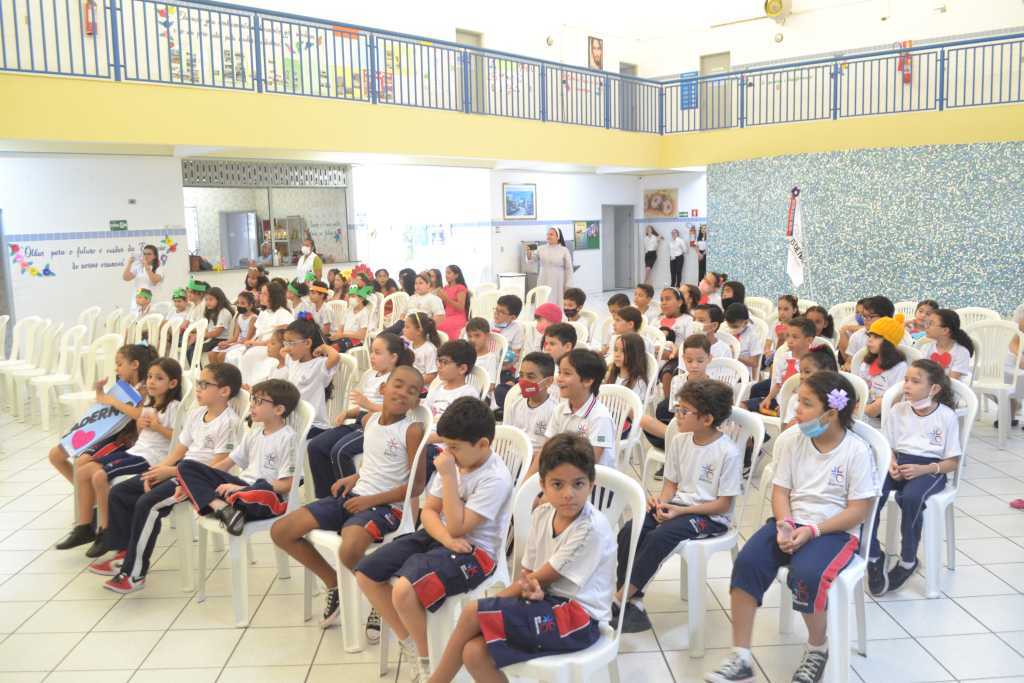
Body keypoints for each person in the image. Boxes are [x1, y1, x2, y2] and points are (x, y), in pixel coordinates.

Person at [705, 372, 877, 683]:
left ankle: (817, 648)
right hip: (791, 521)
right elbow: (781, 491)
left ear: (831, 413)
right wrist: (784, 523)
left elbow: (859, 510)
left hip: (834, 531)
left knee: (806, 575)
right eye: (798, 400)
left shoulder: (856, 451)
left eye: (807, 404)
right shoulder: (791, 440)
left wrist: (813, 530)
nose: (796, 409)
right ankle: (741, 656)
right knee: (748, 562)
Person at [426, 433, 615, 682]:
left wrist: (502, 599)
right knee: (474, 653)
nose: (568, 494)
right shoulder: (542, 514)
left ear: (591, 484)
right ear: (543, 485)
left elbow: (542, 577)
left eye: (578, 484)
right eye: (558, 484)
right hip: (549, 602)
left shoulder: (591, 528)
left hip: (581, 620)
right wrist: (529, 589)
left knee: (473, 611)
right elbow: (529, 575)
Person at [356, 397, 512, 682]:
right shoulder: (453, 461)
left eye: (455, 447)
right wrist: (445, 538)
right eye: (447, 445)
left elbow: (458, 527)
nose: (447, 453)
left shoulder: (494, 478)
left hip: (476, 553)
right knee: (366, 572)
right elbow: (428, 511)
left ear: (482, 445)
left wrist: (449, 478)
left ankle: (427, 660)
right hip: (441, 536)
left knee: (403, 591)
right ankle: (411, 643)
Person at [270, 365, 427, 628]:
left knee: (350, 548)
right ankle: (334, 583)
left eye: (412, 391)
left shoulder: (411, 430)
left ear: (416, 402)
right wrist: (354, 477)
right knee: (281, 531)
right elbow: (376, 463)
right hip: (355, 495)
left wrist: (370, 501)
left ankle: (381, 594)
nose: (403, 393)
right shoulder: (370, 421)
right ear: (383, 388)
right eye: (398, 385)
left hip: (387, 507)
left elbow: (417, 486)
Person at [98, 363, 242, 593]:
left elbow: (217, 468)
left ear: (224, 391)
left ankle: (134, 574)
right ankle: (124, 553)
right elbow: (177, 452)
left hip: (200, 481)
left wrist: (172, 473)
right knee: (120, 492)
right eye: (198, 383)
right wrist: (156, 471)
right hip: (180, 470)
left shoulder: (229, 422)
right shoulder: (196, 414)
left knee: (148, 504)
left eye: (205, 384)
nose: (197, 388)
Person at [613, 379, 740, 633]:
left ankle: (619, 599)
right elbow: (670, 485)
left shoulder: (728, 452)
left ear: (707, 419)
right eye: (678, 408)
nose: (677, 415)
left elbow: (723, 505)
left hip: (710, 517)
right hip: (679, 507)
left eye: (684, 411)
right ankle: (632, 600)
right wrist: (661, 503)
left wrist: (681, 511)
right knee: (631, 529)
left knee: (660, 536)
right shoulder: (680, 441)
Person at [61, 353, 178, 557]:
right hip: (136, 451)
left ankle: (105, 530)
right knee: (82, 470)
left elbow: (178, 439)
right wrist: (141, 425)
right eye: (150, 377)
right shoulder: (149, 403)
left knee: (98, 475)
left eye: (159, 378)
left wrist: (157, 427)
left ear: (173, 383)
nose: (151, 382)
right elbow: (143, 434)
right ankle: (84, 526)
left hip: (149, 458)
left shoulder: (174, 407)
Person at [867, 359, 960, 596]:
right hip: (899, 463)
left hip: (931, 469)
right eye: (906, 380)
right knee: (871, 492)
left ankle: (908, 560)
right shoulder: (898, 410)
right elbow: (887, 446)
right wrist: (891, 463)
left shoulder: (946, 416)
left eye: (915, 381)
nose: (907, 385)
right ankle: (873, 555)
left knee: (911, 497)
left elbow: (952, 462)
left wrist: (924, 469)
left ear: (934, 388)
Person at [50, 343, 157, 543]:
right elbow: (105, 409)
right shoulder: (123, 385)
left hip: (125, 439)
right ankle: (89, 499)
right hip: (108, 434)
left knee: (82, 462)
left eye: (119, 364)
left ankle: (88, 520)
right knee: (55, 455)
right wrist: (100, 393)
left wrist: (112, 401)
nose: (116, 369)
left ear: (134, 365)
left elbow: (139, 415)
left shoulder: (146, 388)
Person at [177, 379, 300, 536]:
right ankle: (224, 508)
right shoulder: (255, 433)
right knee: (186, 466)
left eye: (259, 401)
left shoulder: (288, 438)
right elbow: (226, 464)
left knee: (257, 489)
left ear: (278, 409)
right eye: (253, 399)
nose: (252, 405)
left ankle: (223, 506)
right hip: (242, 488)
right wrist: (192, 480)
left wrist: (242, 489)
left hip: (267, 496)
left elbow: (287, 485)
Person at [305, 334, 415, 496]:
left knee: (340, 451)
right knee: (316, 446)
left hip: (379, 427)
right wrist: (347, 413)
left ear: (393, 357)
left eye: (377, 353)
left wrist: (367, 404)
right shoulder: (371, 374)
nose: (372, 356)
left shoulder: (397, 380)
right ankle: (326, 496)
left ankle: (348, 497)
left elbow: (396, 412)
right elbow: (362, 407)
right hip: (360, 422)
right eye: (371, 352)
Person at [541, 349, 616, 471]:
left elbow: (589, 464)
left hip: (590, 477)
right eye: (560, 372)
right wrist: (527, 479)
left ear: (588, 381)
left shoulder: (600, 418)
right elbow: (546, 451)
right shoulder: (560, 410)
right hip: (563, 471)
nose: (559, 379)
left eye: (567, 373)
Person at [282, 318, 340, 438]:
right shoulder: (293, 361)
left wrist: (323, 347)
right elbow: (282, 352)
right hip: (295, 421)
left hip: (314, 425)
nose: (287, 348)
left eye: (291, 343)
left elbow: (335, 356)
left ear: (308, 343)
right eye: (286, 343)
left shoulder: (319, 365)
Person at [747, 316, 816, 414]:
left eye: (795, 337)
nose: (790, 341)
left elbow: (810, 392)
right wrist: (768, 398)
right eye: (787, 336)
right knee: (743, 406)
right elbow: (778, 384)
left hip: (799, 404)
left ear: (809, 340)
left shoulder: (813, 362)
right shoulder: (783, 357)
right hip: (779, 400)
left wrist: (788, 407)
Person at [503, 352, 557, 461]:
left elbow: (550, 450)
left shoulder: (554, 411)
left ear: (548, 381)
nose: (523, 381)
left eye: (530, 377)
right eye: (521, 375)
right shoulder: (515, 403)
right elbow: (506, 436)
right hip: (511, 458)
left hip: (536, 462)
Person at [856, 314, 909, 422]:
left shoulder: (900, 367)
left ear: (888, 342)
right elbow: (860, 386)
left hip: (886, 415)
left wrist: (869, 408)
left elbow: (895, 398)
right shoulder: (868, 361)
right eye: (870, 336)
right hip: (865, 408)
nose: (870, 340)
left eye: (876, 337)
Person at [425, 340, 479, 424]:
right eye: (439, 361)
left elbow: (463, 424)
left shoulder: (469, 394)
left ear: (462, 369)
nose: (439, 366)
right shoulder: (436, 389)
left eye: (445, 362)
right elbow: (426, 415)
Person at [919, 308, 975, 382]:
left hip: (950, 388)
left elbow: (952, 381)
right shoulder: (926, 348)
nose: (926, 326)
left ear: (945, 330)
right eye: (927, 323)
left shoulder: (961, 352)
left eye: (931, 324)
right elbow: (920, 373)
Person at [187, 286, 234, 363]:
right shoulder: (212, 311)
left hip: (220, 340)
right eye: (206, 300)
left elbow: (217, 333)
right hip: (212, 339)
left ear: (219, 300)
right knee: (190, 349)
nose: (207, 302)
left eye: (210, 299)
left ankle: (200, 369)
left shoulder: (224, 312)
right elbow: (207, 329)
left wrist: (199, 336)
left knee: (195, 349)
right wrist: (197, 336)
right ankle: (196, 369)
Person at [209, 291, 257, 364]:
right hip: (238, 342)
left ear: (250, 305)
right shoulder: (239, 317)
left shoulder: (253, 318)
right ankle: (215, 371)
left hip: (245, 344)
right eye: (238, 303)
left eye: (243, 303)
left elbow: (248, 339)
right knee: (211, 354)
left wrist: (229, 345)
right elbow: (235, 337)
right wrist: (225, 342)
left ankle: (224, 371)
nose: (239, 305)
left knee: (222, 355)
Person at [533, 227, 573, 306]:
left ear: (558, 237)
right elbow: (531, 260)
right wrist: (528, 254)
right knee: (543, 299)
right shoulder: (541, 248)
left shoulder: (564, 250)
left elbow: (569, 268)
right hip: (543, 279)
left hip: (558, 281)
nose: (548, 236)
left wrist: (568, 283)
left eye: (551, 234)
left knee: (556, 301)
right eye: (547, 234)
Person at [606, 333, 649, 402]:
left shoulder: (639, 383)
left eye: (623, 351)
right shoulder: (612, 375)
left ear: (635, 354)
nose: (617, 354)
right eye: (616, 350)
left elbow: (634, 407)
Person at [122, 244, 163, 312]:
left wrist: (146, 266)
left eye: (149, 254)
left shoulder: (158, 269)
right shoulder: (138, 268)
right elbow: (126, 278)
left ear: (155, 256)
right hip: (137, 303)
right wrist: (129, 263)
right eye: (144, 254)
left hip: (151, 303)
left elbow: (154, 280)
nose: (146, 256)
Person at [330, 285, 372, 351]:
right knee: (328, 342)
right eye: (349, 296)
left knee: (335, 347)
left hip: (356, 340)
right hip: (344, 337)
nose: (350, 298)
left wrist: (343, 334)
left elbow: (362, 335)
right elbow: (341, 327)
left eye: (353, 296)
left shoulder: (364, 313)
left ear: (361, 299)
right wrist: (337, 335)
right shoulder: (348, 310)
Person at [405, 312, 441, 387]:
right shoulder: (408, 344)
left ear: (419, 331)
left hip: (420, 387)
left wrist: (412, 382)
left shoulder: (430, 350)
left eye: (407, 327)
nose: (404, 330)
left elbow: (431, 375)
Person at [725, 303, 761, 377]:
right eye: (729, 326)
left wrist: (735, 355)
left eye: (735, 326)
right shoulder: (725, 331)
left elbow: (754, 363)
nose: (732, 329)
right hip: (727, 371)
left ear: (746, 322)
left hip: (743, 374)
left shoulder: (752, 336)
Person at [466, 317, 499, 396]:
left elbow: (491, 385)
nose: (473, 340)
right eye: (469, 336)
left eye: (477, 335)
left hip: (480, 397)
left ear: (487, 336)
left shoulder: (490, 358)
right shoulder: (466, 356)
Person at [437, 265, 470, 340]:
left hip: (457, 316)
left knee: (443, 326)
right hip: (446, 315)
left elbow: (461, 307)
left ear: (456, 275)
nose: (446, 275)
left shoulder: (460, 288)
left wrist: (446, 299)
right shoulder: (445, 288)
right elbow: (443, 305)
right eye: (446, 273)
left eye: (449, 273)